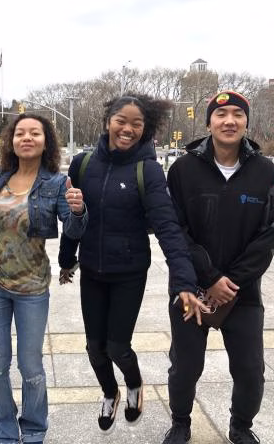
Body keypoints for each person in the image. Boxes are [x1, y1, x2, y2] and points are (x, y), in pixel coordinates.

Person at [58, 94, 203, 435]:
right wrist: (66, 259)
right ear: (108, 121)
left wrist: (185, 281)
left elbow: (167, 227)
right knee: (95, 348)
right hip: (92, 271)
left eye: (137, 124)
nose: (128, 129)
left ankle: (134, 384)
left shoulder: (147, 170)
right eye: (121, 121)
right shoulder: (82, 163)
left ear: (145, 129)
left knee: (117, 346)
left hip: (129, 273)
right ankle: (110, 393)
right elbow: (74, 216)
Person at [0, 113, 88, 444]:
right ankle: (5, 431)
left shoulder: (57, 184)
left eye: (35, 133)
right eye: (20, 133)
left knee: (31, 367)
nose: (27, 138)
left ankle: (34, 430)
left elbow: (74, 230)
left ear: (46, 141)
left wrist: (78, 210)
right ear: (12, 141)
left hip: (32, 287)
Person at [164, 91, 274, 444]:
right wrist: (210, 277)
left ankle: (241, 426)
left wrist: (230, 281)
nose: (229, 120)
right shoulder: (183, 170)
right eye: (221, 114)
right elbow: (174, 231)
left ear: (246, 122)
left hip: (242, 292)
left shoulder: (264, 171)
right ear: (208, 124)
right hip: (190, 288)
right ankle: (181, 422)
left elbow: (269, 233)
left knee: (250, 370)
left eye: (237, 114)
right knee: (185, 367)